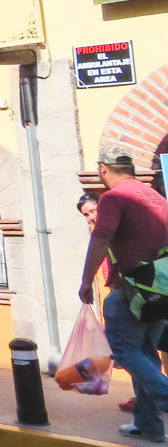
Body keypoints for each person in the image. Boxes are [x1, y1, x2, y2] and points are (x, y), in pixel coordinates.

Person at [80, 147, 168, 442]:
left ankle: (165, 398)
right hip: (160, 291)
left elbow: (101, 237)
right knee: (146, 355)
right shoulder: (155, 196)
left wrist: (85, 280)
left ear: (103, 170)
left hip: (129, 289)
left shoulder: (114, 198)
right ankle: (148, 426)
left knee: (123, 350)